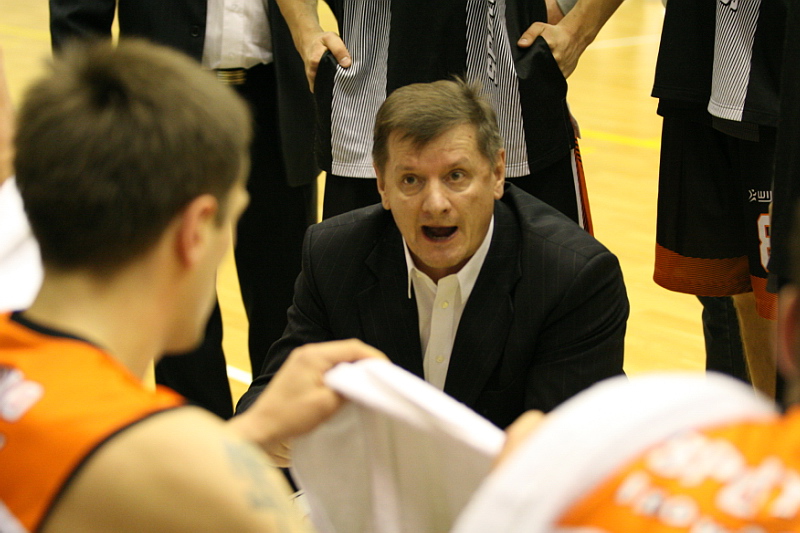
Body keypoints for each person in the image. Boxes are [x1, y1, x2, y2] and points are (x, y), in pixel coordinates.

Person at [0, 39, 384, 533]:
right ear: (195, 230)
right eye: (231, 219)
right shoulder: (187, 468)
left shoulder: (164, 458)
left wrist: (244, 435)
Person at [238, 78, 629, 432]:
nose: (435, 204)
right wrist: (271, 430)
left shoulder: (572, 277)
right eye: (411, 180)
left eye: (456, 176)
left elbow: (566, 452)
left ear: (497, 173)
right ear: (382, 184)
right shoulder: (334, 255)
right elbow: (269, 399)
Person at [49, 0, 319, 418]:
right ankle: (194, 436)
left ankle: (282, 437)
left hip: (279, 99)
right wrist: (97, 116)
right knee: (173, 287)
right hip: (165, 104)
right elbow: (78, 17)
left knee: (285, 292)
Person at [275, 0, 623, 225]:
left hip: (515, 114)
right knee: (364, 312)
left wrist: (578, 29)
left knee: (544, 306)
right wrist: (305, 32)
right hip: (365, 113)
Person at [651, 0, 785, 398]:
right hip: (702, 57)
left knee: (779, 294)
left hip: (779, 63)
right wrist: (575, 26)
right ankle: (770, 429)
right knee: (739, 284)